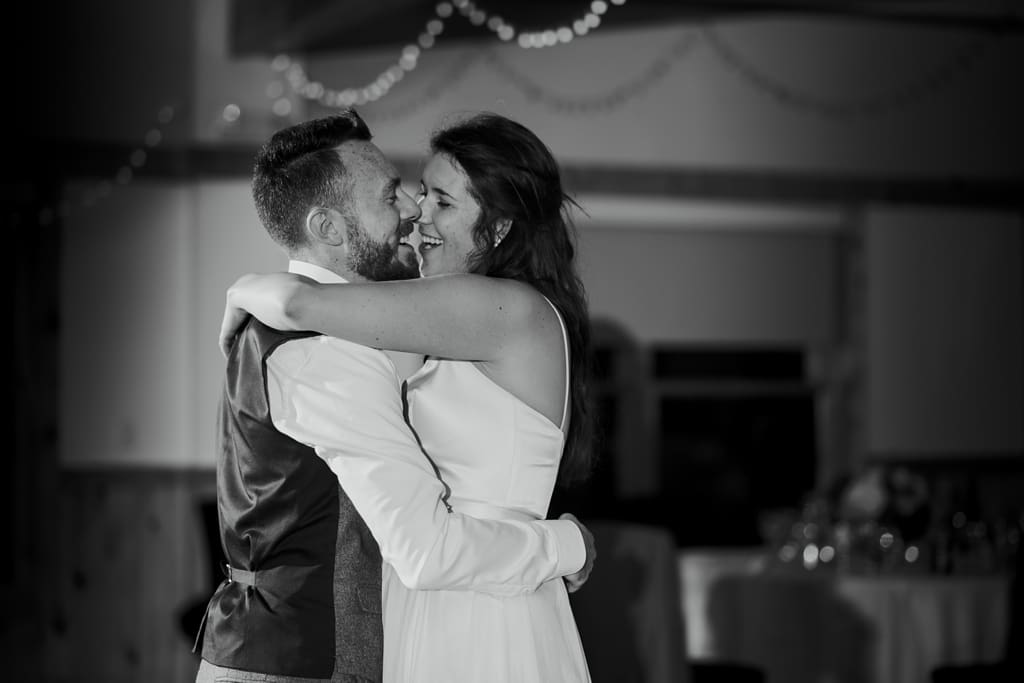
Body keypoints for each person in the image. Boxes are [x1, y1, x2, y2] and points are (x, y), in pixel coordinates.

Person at [196, 110, 595, 683]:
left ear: (500, 227)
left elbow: (302, 305)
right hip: (423, 595)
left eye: (442, 200)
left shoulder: (503, 307)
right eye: (412, 194)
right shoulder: (425, 321)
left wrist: (247, 290)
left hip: (481, 601)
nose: (416, 212)